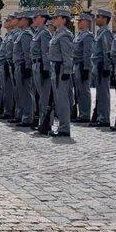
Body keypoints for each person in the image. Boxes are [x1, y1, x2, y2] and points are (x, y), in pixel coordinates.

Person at [47, 8, 74, 137]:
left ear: (63, 19)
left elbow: (67, 55)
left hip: (61, 69)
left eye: (56, 17)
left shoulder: (65, 34)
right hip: (55, 68)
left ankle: (65, 128)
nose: (53, 20)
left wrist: (67, 71)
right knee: (58, 99)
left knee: (63, 99)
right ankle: (61, 126)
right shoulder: (57, 34)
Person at [89, 9, 113, 127]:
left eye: (98, 16)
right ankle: (100, 116)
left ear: (104, 19)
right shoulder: (99, 33)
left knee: (103, 93)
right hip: (97, 65)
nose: (96, 18)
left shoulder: (106, 34)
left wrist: (106, 67)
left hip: (102, 66)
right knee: (99, 93)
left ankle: (104, 119)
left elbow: (107, 52)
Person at [30, 10, 53, 133]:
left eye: (36, 17)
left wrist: (46, 68)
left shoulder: (44, 33)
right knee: (39, 96)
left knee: (44, 96)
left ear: (43, 19)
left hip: (41, 65)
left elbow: (45, 52)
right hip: (36, 64)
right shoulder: (37, 33)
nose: (33, 19)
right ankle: (41, 120)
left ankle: (46, 122)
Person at [11, 11, 34, 127]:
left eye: (20, 19)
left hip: (22, 66)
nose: (18, 21)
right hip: (18, 65)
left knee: (26, 93)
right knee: (19, 93)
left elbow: (27, 52)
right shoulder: (21, 33)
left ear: (26, 21)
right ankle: (20, 115)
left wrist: (27, 67)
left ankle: (27, 117)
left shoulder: (26, 34)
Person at [72, 12, 94, 123]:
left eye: (81, 21)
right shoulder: (78, 36)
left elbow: (87, 53)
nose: (79, 23)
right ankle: (80, 113)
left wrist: (86, 68)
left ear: (87, 22)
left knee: (84, 91)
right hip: (76, 65)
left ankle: (85, 115)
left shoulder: (87, 36)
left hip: (82, 66)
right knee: (78, 91)